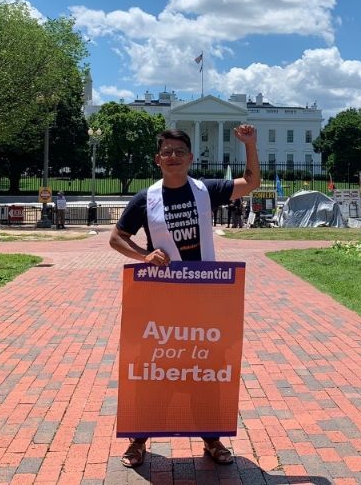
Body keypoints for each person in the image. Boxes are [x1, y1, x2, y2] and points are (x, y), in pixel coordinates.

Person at [109, 126, 260, 468]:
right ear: (158, 159)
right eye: (167, 152)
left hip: (204, 299)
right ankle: (138, 440)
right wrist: (142, 256)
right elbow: (116, 238)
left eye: (180, 151)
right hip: (161, 299)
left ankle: (211, 439)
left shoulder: (206, 191)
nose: (173, 156)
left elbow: (251, 183)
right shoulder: (145, 199)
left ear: (190, 158)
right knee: (154, 371)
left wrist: (250, 144)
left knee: (204, 371)